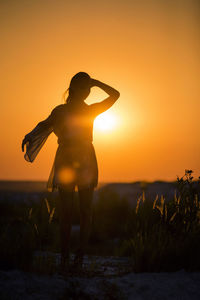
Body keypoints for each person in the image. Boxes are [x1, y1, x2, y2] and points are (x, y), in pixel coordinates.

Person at [22, 72, 120, 271]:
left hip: (86, 160)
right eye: (84, 87)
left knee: (85, 211)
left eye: (89, 88)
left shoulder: (91, 110)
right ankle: (65, 256)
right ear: (74, 88)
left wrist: (97, 82)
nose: (87, 91)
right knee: (66, 212)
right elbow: (44, 125)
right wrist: (29, 135)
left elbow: (116, 95)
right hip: (66, 160)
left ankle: (80, 256)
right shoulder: (60, 111)